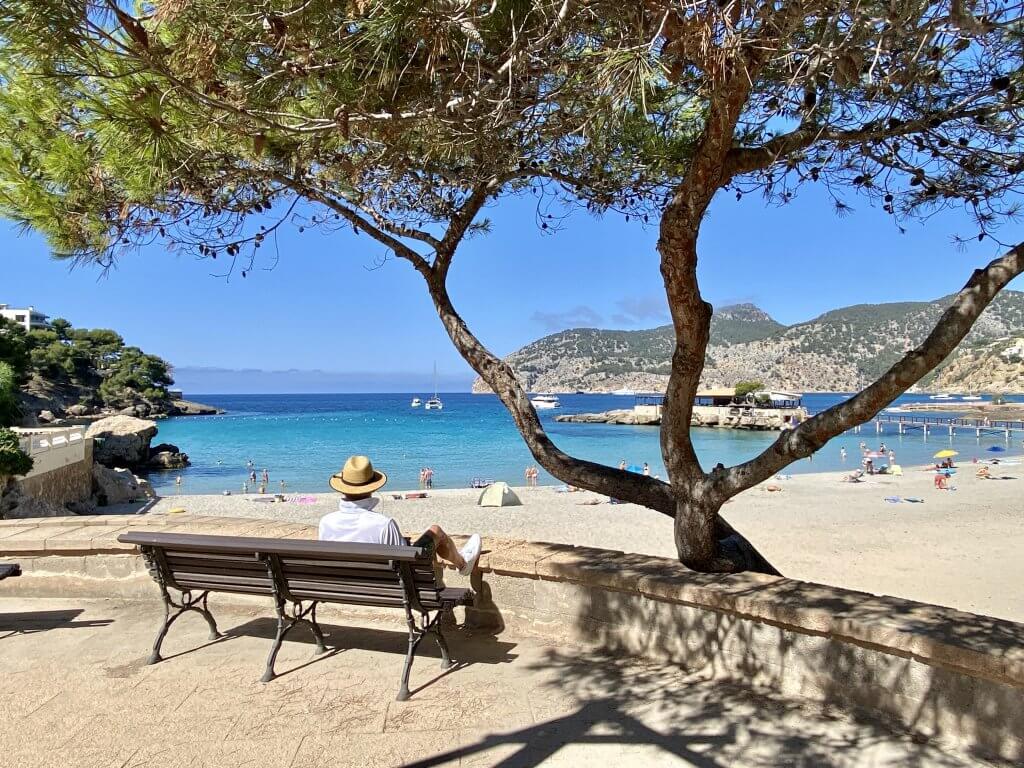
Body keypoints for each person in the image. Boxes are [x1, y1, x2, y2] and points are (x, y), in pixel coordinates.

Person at [319, 456, 480, 576]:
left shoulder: (326, 522)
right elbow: (403, 566)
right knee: (435, 531)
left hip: (344, 586)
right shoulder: (383, 524)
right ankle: (463, 564)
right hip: (390, 588)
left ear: (343, 488)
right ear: (371, 487)